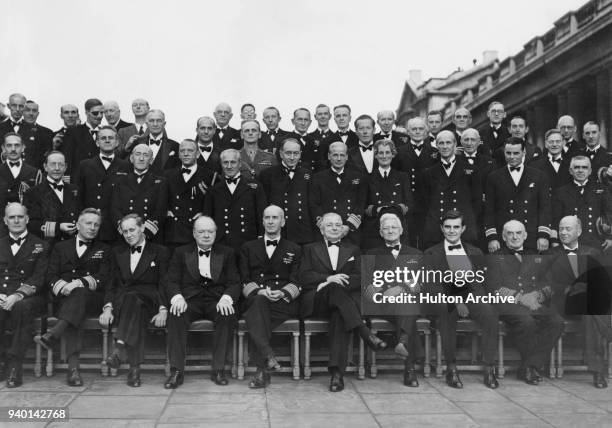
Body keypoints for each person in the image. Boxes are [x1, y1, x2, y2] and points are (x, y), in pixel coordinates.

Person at [298, 212, 387, 392]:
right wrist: (329, 279)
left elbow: (361, 277)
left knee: (339, 314)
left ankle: (337, 374)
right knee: (333, 288)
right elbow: (304, 276)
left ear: (343, 229)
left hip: (342, 304)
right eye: (329, 225)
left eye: (338, 225)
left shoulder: (353, 249)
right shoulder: (309, 248)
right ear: (322, 229)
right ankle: (363, 331)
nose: (334, 228)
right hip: (317, 300)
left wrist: (339, 282)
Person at [35, 208, 111, 386]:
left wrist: (78, 284)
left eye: (96, 225)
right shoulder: (60, 247)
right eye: (88, 223)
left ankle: (56, 337)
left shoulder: (104, 249)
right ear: (77, 224)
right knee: (73, 311)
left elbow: (104, 277)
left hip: (92, 299)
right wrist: (64, 288)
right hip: (64, 298)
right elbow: (50, 275)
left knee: (79, 297)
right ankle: (73, 369)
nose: (92, 228)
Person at [424, 210, 499, 389]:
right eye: (448, 227)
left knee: (490, 313)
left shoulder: (475, 252)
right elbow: (431, 285)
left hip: (472, 297)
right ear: (442, 228)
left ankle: (489, 367)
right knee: (447, 311)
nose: (451, 231)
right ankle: (451, 367)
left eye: (456, 227)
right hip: (444, 298)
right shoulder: (430, 253)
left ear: (463, 228)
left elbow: (482, 281)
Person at [164, 216, 241, 388]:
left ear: (215, 233)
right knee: (175, 313)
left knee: (227, 313)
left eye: (210, 231)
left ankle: (218, 369)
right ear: (193, 233)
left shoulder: (227, 252)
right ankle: (177, 370)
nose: (206, 235)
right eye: (201, 231)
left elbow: (235, 282)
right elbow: (171, 280)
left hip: (216, 300)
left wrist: (226, 298)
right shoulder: (180, 252)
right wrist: (177, 297)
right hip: (190, 300)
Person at [486, 220, 563, 385]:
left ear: (525, 235)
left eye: (519, 233)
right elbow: (493, 287)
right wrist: (521, 298)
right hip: (508, 304)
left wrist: (538, 296)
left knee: (557, 321)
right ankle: (529, 369)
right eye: (510, 234)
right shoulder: (494, 257)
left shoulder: (536, 255)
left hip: (534, 302)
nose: (515, 237)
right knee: (526, 322)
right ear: (503, 237)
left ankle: (530, 365)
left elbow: (548, 283)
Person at [102, 214, 170, 387]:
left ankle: (121, 350)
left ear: (142, 228)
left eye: (132, 229)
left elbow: (164, 283)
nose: (129, 234)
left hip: (151, 300)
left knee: (135, 303)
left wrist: (163, 308)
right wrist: (108, 307)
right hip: (125, 302)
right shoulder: (117, 252)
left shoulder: (160, 251)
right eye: (125, 231)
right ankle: (133, 368)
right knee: (135, 308)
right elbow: (111, 283)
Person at [239, 205, 302, 388]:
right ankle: (266, 361)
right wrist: (259, 291)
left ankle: (264, 365)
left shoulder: (294, 248)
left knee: (257, 317)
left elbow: (297, 281)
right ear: (263, 221)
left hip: (282, 302)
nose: (271, 221)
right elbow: (243, 277)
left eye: (275, 218)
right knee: (259, 305)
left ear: (283, 221)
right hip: (256, 297)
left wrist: (282, 292)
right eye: (267, 218)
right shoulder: (248, 247)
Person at [546, 216, 612, 388]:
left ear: (579, 231)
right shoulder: (551, 254)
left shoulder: (593, 252)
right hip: (563, 303)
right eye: (561, 229)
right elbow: (545, 284)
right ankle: (608, 335)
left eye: (568, 229)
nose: (563, 232)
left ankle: (597, 371)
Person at [364, 213, 422, 387]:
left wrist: (401, 288)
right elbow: (366, 284)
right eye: (386, 228)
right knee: (408, 308)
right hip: (383, 305)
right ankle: (408, 365)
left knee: (407, 303)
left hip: (408, 302)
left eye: (394, 227)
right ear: (380, 233)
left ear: (401, 230)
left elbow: (423, 282)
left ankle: (404, 347)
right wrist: (379, 293)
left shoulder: (416, 253)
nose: (390, 231)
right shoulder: (371, 253)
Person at [0, 203, 49, 388]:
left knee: (21, 308)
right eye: (12, 217)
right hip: (2, 296)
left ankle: (15, 366)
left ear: (27, 219)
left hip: (30, 298)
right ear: (5, 221)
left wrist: (18, 295)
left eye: (20, 216)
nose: (16, 220)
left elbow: (39, 278)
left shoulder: (40, 245)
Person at [485, 138, 552, 252]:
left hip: (531, 237)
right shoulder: (493, 177)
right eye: (508, 153)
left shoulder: (539, 176)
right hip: (505, 237)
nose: (512, 156)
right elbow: (489, 210)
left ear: (524, 153)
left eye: (516, 153)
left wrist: (543, 235)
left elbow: (545, 208)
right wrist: (492, 237)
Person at [421, 131, 482, 249]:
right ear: (436, 146)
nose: (445, 146)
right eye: (441, 143)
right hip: (436, 231)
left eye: (448, 142)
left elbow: (477, 203)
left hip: (464, 230)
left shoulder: (472, 170)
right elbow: (425, 204)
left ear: (455, 144)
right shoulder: (428, 173)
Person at [74, 126, 131, 242]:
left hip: (116, 226)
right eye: (103, 138)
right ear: (97, 142)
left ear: (117, 142)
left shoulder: (127, 166)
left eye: (111, 138)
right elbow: (77, 196)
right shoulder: (84, 165)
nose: (107, 140)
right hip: (92, 225)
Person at [202, 149, 267, 251]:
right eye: (225, 162)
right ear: (221, 165)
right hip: (221, 243)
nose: (229, 166)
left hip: (248, 243)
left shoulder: (255, 187)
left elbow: (261, 215)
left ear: (240, 164)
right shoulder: (213, 190)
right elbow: (208, 219)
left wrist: (261, 238)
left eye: (233, 162)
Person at [310, 142, 368, 246]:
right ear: (329, 156)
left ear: (347, 157)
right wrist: (326, 226)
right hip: (326, 232)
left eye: (342, 155)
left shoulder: (358, 177)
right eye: (335, 155)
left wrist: (349, 226)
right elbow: (314, 205)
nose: (339, 159)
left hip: (351, 231)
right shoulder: (318, 178)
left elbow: (361, 204)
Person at [392, 116, 438, 248]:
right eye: (414, 129)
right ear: (408, 131)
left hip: (428, 204)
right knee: (408, 240)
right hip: (407, 203)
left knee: (427, 240)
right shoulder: (399, 152)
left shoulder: (434, 152)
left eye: (420, 128)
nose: (417, 131)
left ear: (426, 131)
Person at [259, 138, 315, 244]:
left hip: (302, 231)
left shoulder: (308, 174)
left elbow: (311, 204)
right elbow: (263, 205)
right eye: (288, 153)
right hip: (278, 231)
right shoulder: (267, 175)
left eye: (296, 153)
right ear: (281, 154)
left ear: (300, 154)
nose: (292, 157)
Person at [164, 139, 216, 247]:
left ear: (197, 154)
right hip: (174, 231)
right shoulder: (167, 175)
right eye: (182, 151)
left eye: (190, 150)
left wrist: (204, 214)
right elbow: (162, 199)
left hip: (197, 231)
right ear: (178, 154)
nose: (186, 154)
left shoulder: (209, 176)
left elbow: (213, 202)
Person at [110, 144, 167, 243]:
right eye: (138, 154)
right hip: (126, 236)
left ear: (151, 160)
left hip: (150, 237)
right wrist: (126, 231)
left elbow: (160, 210)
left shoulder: (160, 182)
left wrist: (144, 234)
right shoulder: (120, 181)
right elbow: (115, 208)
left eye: (146, 155)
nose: (141, 158)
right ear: (131, 158)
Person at [552, 156, 612, 250]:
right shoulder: (561, 192)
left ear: (590, 171)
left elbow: (609, 214)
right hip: (571, 243)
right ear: (571, 171)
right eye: (576, 167)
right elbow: (556, 219)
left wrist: (610, 237)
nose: (580, 170)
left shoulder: (602, 189)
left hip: (596, 242)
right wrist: (554, 241)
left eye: (584, 167)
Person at [363, 139, 414, 250]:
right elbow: (363, 205)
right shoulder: (367, 178)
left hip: (398, 227)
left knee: (402, 264)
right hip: (375, 228)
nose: (384, 156)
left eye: (387, 152)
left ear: (393, 154)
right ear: (375, 155)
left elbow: (409, 203)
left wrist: (396, 209)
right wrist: (376, 210)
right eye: (381, 153)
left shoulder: (402, 176)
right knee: (374, 264)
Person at [23, 151, 81, 245]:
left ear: (65, 167)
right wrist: (58, 227)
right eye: (53, 164)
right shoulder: (33, 193)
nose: (57, 168)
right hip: (47, 246)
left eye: (60, 165)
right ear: (45, 167)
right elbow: (31, 224)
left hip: (72, 245)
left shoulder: (75, 190)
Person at [62, 98, 104, 179]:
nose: (99, 116)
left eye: (102, 113)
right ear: (87, 113)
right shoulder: (73, 132)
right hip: (80, 179)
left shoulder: (105, 132)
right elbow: (67, 158)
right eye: (95, 113)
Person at [129, 110, 180, 175]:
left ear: (164, 124)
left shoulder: (175, 146)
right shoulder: (137, 143)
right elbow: (130, 167)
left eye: (159, 121)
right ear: (147, 124)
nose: (155, 124)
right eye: (151, 121)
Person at [0, 133, 42, 205]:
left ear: (23, 147)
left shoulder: (35, 173)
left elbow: (39, 202)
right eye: (9, 145)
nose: (13, 149)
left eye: (17, 145)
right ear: (3, 148)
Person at [19, 100, 54, 169]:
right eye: (28, 110)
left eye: (34, 111)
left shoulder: (47, 132)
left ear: (38, 114)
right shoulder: (15, 130)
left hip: (38, 172)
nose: (31, 113)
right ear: (22, 112)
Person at [287, 108, 323, 172]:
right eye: (300, 119)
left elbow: (320, 165)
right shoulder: (284, 140)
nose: (303, 123)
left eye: (306, 120)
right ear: (293, 121)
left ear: (310, 122)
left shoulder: (315, 141)